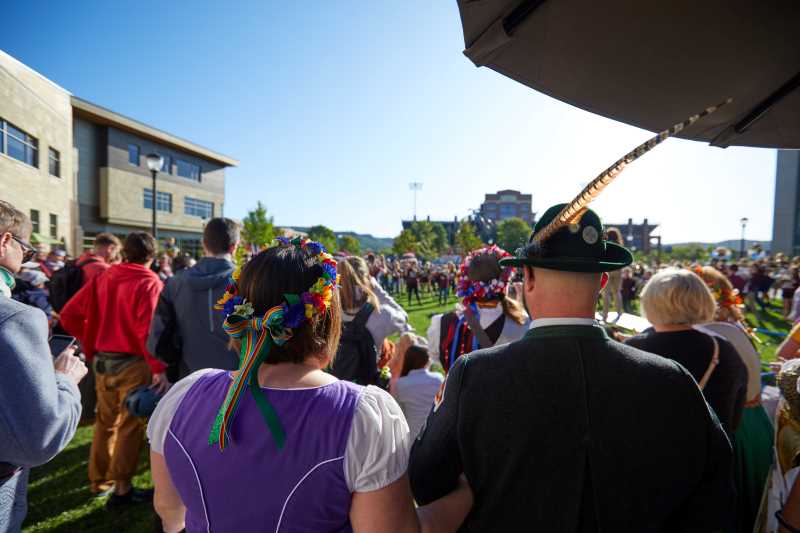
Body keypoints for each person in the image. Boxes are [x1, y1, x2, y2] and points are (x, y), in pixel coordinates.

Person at [409, 204, 735, 531]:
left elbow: (425, 479)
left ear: (528, 278)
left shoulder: (473, 374)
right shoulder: (672, 379)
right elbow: (716, 492)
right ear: (603, 281)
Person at [146, 238, 472, 532]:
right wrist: (466, 494)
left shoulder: (183, 395)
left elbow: (171, 514)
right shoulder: (363, 416)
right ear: (326, 320)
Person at [60, 232, 166, 505]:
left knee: (105, 423)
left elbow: (70, 314)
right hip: (132, 364)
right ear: (151, 256)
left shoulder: (105, 276)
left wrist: (90, 342)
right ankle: (121, 487)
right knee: (129, 426)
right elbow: (146, 331)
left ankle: (99, 482)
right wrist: (157, 368)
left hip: (104, 361)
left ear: (125, 252)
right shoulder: (148, 281)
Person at [0, 200, 86, 532]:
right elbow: (41, 438)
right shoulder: (15, 319)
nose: (26, 260)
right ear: (5, 242)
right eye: (26, 249)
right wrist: (64, 380)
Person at [694, 266, 774, 531]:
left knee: (737, 508)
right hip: (757, 422)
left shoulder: (712, 332)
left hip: (737, 428)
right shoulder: (735, 325)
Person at [625, 268, 748, 436]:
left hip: (646, 451)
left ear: (649, 302)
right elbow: (735, 416)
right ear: (703, 300)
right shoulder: (723, 348)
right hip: (710, 452)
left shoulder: (631, 349)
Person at [147, 218, 240, 380]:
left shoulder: (174, 283)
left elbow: (157, 340)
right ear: (234, 247)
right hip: (239, 383)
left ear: (204, 244)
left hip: (190, 380)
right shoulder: (250, 282)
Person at [427, 245, 529, 373]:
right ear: (504, 282)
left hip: (456, 393)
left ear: (467, 280)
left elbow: (436, 358)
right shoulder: (524, 324)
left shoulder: (442, 323)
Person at [329, 255, 409, 386]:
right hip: (367, 387)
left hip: (336, 383)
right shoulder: (381, 314)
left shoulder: (328, 312)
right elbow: (403, 316)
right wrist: (378, 290)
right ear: (367, 278)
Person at [389, 333, 443, 439]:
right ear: (427, 361)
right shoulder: (438, 378)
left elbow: (396, 412)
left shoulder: (400, 384)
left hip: (412, 435)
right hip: (436, 433)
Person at [601, 227, 624, 321]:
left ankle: (605, 315)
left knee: (606, 293)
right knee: (617, 292)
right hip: (618, 270)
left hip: (608, 269)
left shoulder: (606, 244)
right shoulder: (619, 245)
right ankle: (619, 312)